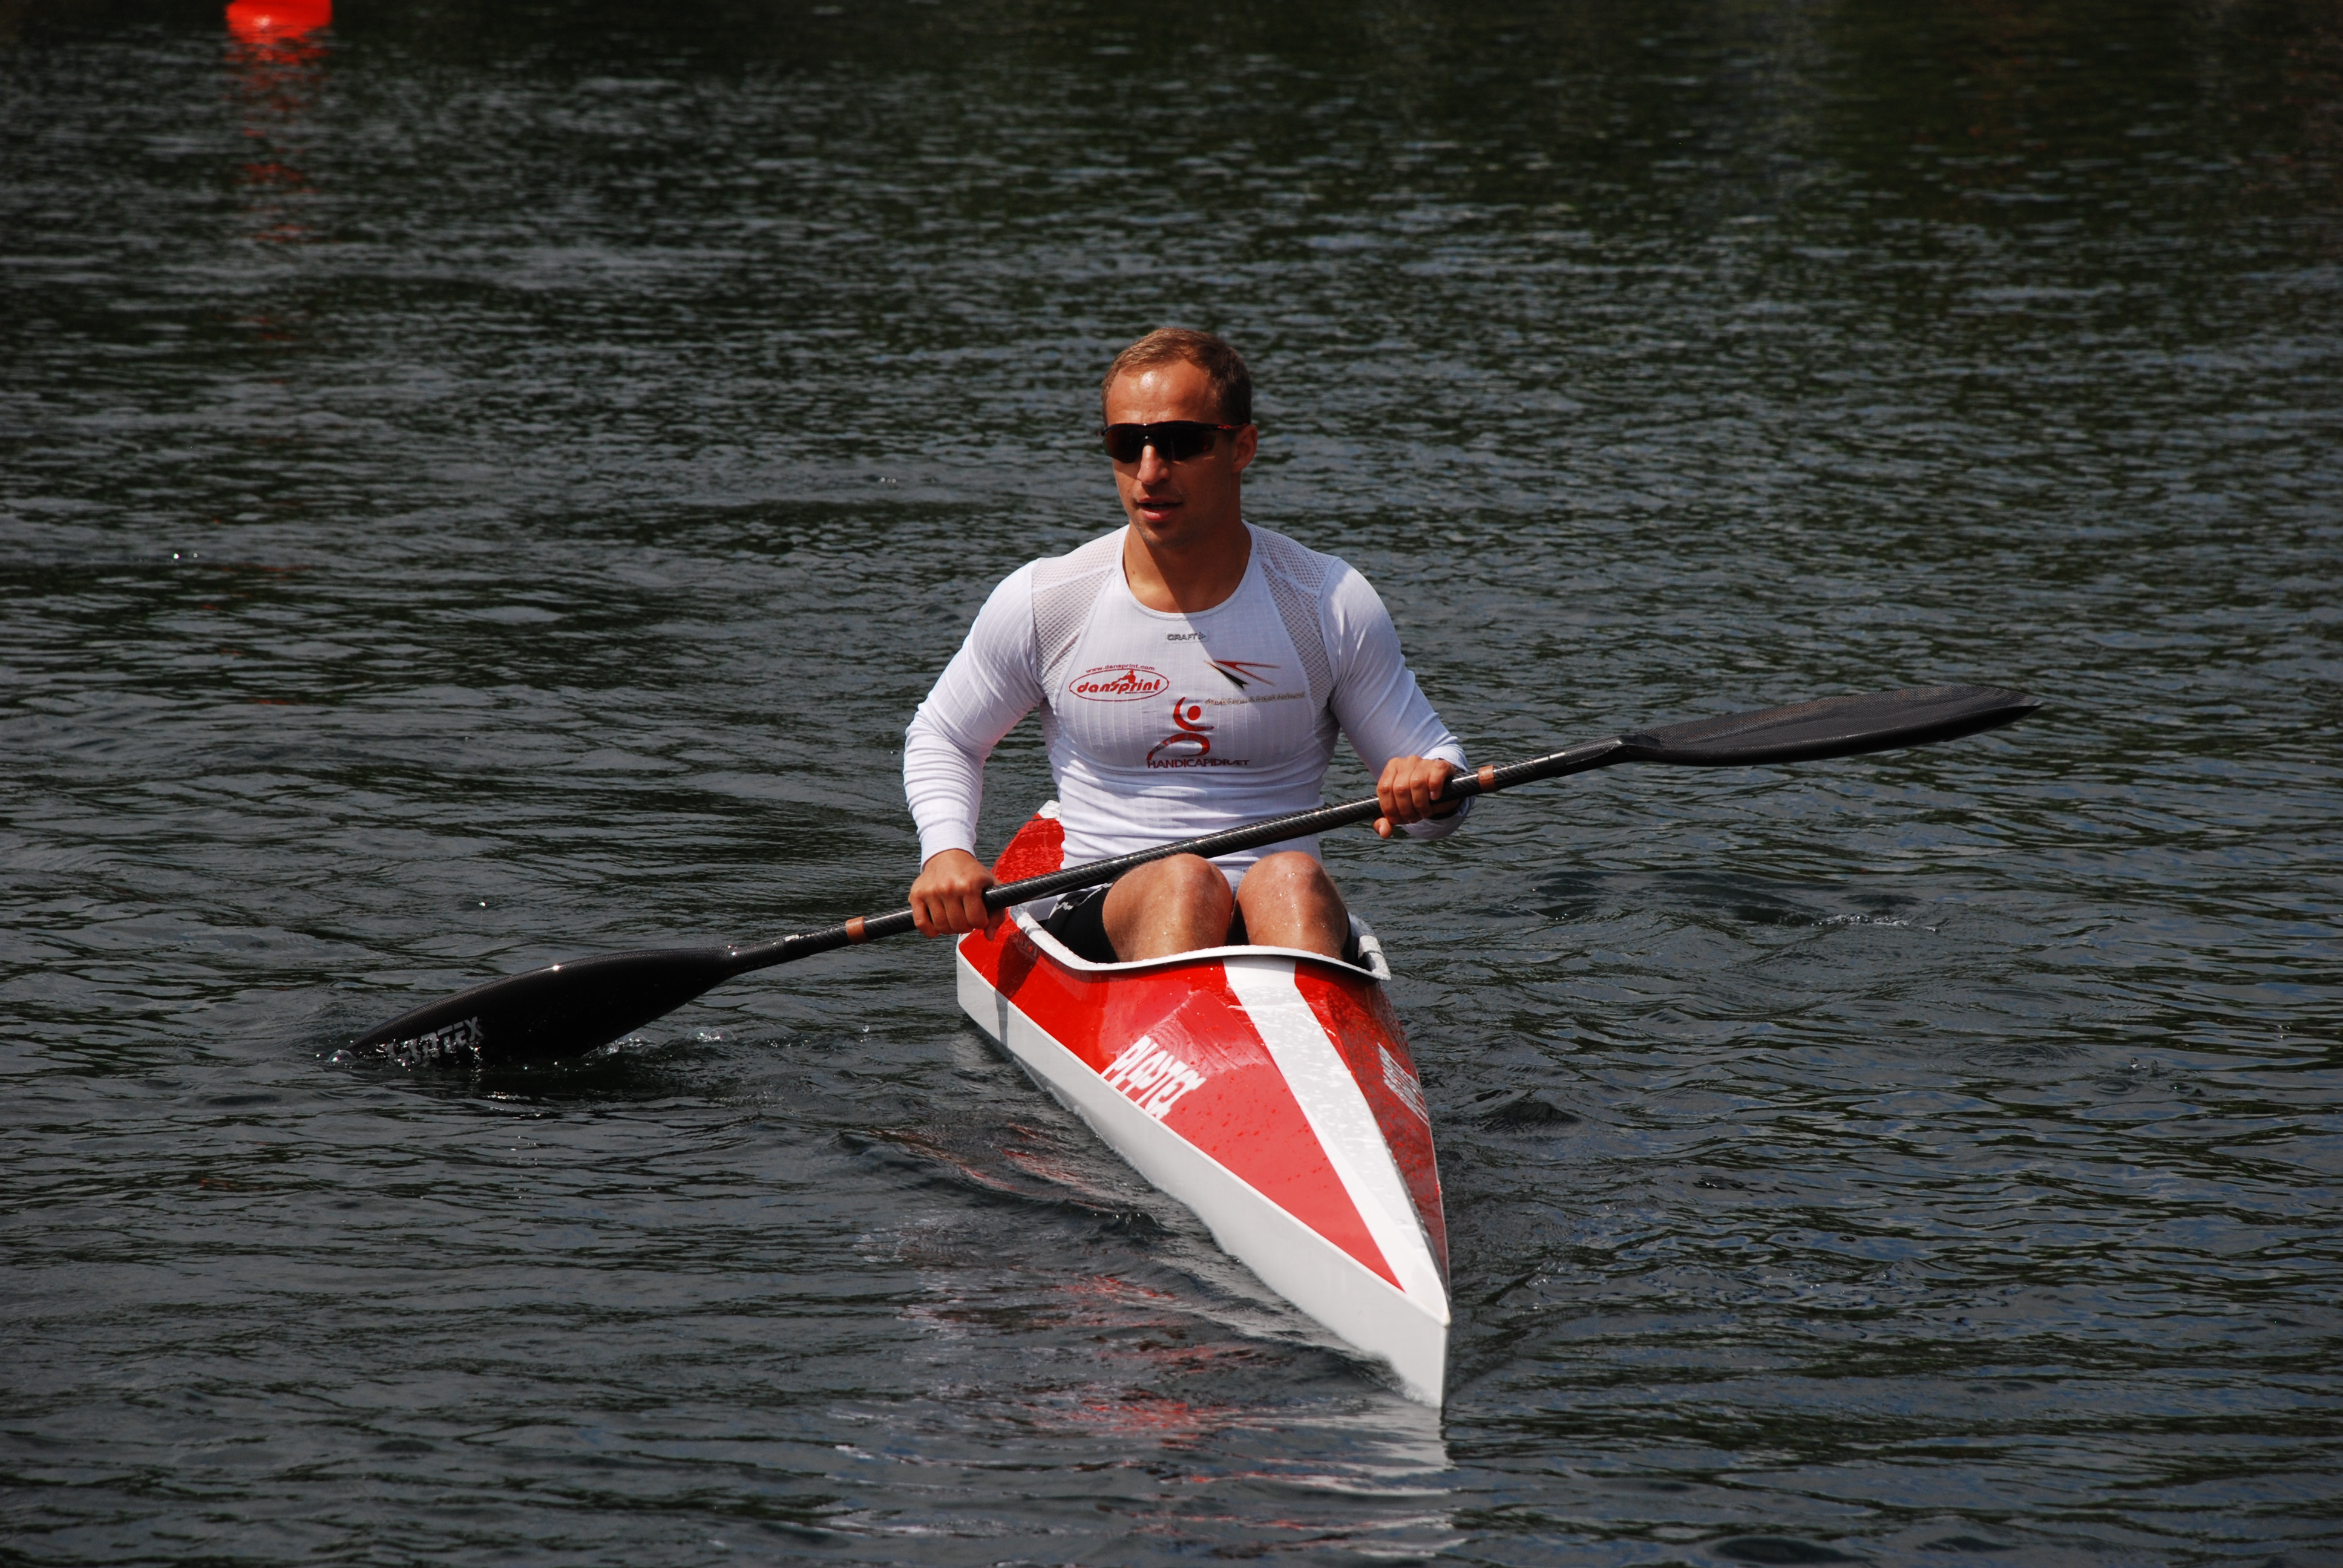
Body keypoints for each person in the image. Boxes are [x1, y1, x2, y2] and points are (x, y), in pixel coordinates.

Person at [903, 327, 1469, 962]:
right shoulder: (1049, 600)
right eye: (1125, 444)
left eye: (1179, 443)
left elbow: (1437, 806)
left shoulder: (1325, 601)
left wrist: (1429, 785)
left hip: (1282, 911)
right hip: (1100, 911)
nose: (1149, 472)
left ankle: (1289, 1042)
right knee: (1182, 878)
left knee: (1291, 875)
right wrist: (947, 849)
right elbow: (944, 735)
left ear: (1241, 448)